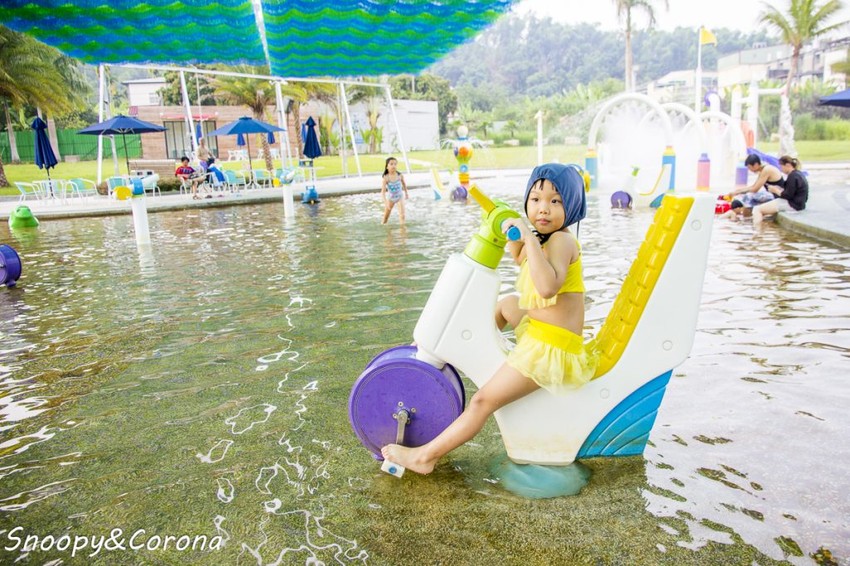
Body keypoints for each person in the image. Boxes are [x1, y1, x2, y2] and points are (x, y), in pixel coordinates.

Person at [382, 164, 596, 475]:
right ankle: (451, 347)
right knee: (507, 304)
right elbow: (520, 257)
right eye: (535, 200)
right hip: (543, 329)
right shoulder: (543, 239)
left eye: (555, 201)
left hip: (552, 348)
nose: (543, 209)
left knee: (483, 401)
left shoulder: (561, 241)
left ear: (572, 206)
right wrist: (505, 225)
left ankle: (425, 457)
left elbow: (548, 284)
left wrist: (528, 237)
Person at [721, 154, 783, 220]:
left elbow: (755, 189)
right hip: (772, 195)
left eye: (750, 167)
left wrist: (737, 192)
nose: (750, 170)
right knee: (747, 196)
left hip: (778, 196)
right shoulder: (763, 170)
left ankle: (745, 219)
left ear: (756, 164)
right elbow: (753, 186)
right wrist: (737, 192)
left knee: (749, 196)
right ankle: (745, 217)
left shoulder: (767, 170)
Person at [753, 155, 808, 225]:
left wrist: (775, 190)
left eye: (781, 166)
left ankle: (758, 231)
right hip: (799, 204)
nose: (781, 169)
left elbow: (788, 195)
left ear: (787, 165)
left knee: (757, 209)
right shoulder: (798, 174)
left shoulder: (792, 176)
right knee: (766, 211)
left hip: (793, 205)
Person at [380, 157, 409, 225]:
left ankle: (403, 232)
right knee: (385, 218)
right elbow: (383, 192)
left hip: (400, 197)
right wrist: (386, 202)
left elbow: (404, 184)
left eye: (395, 164)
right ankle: (383, 228)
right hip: (391, 199)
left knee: (402, 215)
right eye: (391, 164)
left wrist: (406, 193)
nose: (394, 166)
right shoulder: (386, 178)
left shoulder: (400, 175)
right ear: (387, 166)